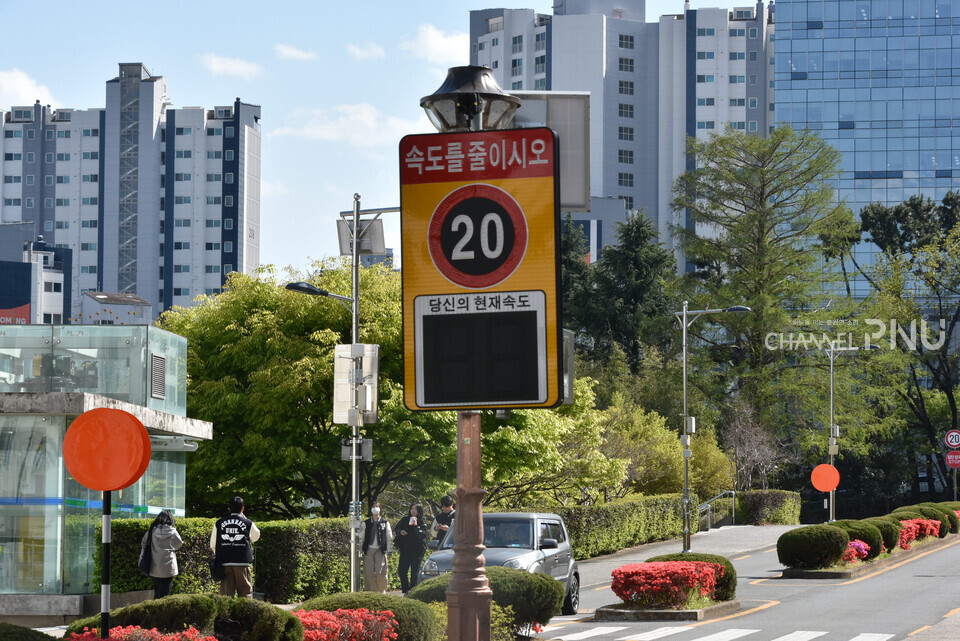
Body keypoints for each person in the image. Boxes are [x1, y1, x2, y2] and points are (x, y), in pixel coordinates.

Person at [209, 496, 260, 598]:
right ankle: (245, 614)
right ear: (242, 509)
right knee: (245, 592)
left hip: (225, 563)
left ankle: (226, 614)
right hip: (243, 562)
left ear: (229, 508)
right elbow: (256, 536)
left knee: (226, 596)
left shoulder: (219, 523)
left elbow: (213, 544)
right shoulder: (248, 523)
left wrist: (220, 555)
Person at [140, 510, 182, 598]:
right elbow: (179, 544)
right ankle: (162, 610)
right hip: (168, 567)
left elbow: (144, 543)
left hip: (154, 565)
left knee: (157, 592)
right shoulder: (173, 532)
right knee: (165, 593)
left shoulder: (152, 531)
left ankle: (155, 610)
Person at [394, 502, 428, 595]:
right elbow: (396, 528)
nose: (413, 511)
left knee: (414, 572)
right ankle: (405, 589)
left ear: (419, 511)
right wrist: (401, 531)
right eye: (412, 508)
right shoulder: (405, 519)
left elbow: (422, 535)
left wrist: (416, 525)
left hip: (417, 550)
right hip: (405, 549)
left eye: (415, 509)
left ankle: (413, 592)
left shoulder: (422, 521)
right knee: (402, 570)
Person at [362, 501, 392, 593]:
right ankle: (371, 592)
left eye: (377, 507)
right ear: (371, 509)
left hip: (380, 549)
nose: (375, 508)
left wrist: (390, 550)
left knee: (380, 571)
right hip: (369, 549)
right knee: (369, 572)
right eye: (374, 506)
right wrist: (360, 550)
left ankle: (382, 590)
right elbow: (361, 537)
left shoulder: (385, 522)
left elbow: (389, 537)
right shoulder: (366, 523)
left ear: (380, 509)